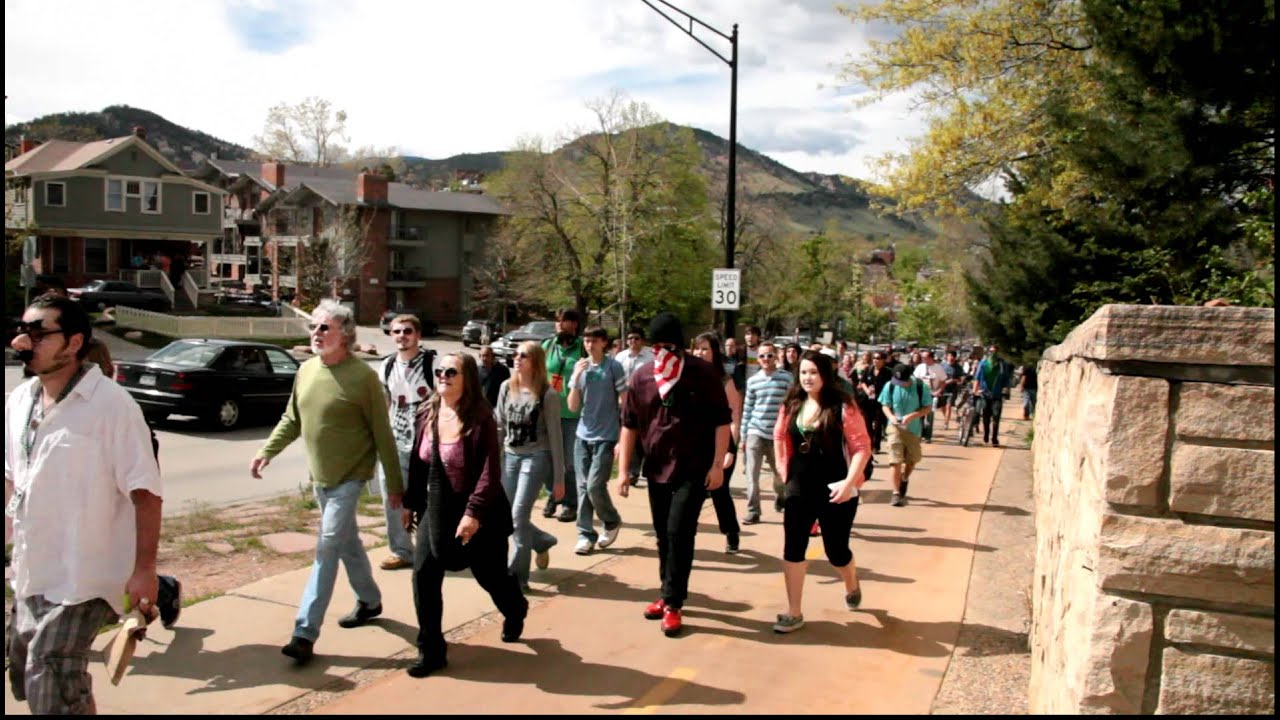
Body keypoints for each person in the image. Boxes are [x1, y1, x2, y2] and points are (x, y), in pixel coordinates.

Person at [5, 294, 163, 714]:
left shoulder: (112, 406)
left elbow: (146, 493)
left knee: (50, 668)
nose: (23, 341)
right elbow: (11, 479)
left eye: (38, 333)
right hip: (34, 567)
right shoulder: (19, 401)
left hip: (86, 576)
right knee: (31, 670)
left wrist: (145, 570)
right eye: (23, 331)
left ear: (74, 343)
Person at [251, 299, 403, 665]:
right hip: (321, 478)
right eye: (313, 327)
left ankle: (305, 632)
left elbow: (383, 435)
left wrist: (396, 486)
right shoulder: (305, 371)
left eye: (324, 328)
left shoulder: (363, 377)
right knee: (346, 543)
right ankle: (369, 600)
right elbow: (292, 418)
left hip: (351, 477)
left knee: (327, 546)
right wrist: (266, 450)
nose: (316, 334)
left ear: (345, 335)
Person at [402, 353, 527, 678]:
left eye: (451, 371)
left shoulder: (481, 417)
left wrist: (473, 514)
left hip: (479, 508)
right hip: (437, 504)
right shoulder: (426, 412)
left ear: (467, 378)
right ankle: (431, 650)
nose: (443, 375)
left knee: (490, 576)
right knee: (424, 574)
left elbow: (489, 471)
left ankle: (515, 607)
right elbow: (419, 465)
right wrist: (410, 504)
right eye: (439, 371)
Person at [616, 313, 730, 637]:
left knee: (680, 532)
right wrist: (624, 470)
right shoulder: (641, 378)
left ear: (681, 346)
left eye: (671, 346)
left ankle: (674, 603)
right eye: (658, 346)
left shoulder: (702, 374)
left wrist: (718, 464)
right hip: (656, 468)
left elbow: (722, 421)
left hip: (694, 469)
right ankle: (666, 592)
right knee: (663, 534)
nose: (664, 352)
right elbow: (629, 426)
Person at [770, 350, 872, 633]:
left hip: (836, 488)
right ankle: (793, 612)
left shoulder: (843, 405)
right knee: (793, 547)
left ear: (826, 375)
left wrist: (850, 483)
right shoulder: (792, 404)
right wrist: (784, 473)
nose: (807, 378)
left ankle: (851, 581)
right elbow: (779, 436)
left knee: (836, 551)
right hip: (799, 488)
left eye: (813, 372)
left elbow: (862, 446)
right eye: (803, 372)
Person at [496, 341, 565, 590]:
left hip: (536, 458)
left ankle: (517, 577)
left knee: (517, 517)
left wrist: (559, 478)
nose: (517, 358)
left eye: (523, 355)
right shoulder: (506, 387)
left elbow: (556, 438)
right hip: (510, 457)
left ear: (535, 361)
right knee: (508, 516)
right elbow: (499, 426)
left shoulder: (548, 394)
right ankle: (542, 540)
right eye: (515, 354)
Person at [374, 314, 435, 571]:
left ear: (418, 334)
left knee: (429, 499)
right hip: (396, 442)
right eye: (396, 331)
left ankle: (430, 549)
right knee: (393, 497)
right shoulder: (387, 365)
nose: (401, 336)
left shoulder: (432, 364)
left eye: (407, 331)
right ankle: (401, 550)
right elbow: (383, 403)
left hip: (428, 444)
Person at [567, 326, 628, 555]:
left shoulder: (614, 367)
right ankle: (585, 534)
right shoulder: (580, 367)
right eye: (586, 341)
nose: (589, 345)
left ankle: (611, 520)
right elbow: (573, 406)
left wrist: (623, 437)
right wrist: (575, 378)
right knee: (582, 487)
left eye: (594, 341)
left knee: (594, 485)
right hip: (583, 435)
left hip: (606, 435)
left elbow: (625, 402)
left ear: (604, 343)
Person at [691, 331, 743, 554]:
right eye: (697, 348)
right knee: (692, 492)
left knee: (719, 491)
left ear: (714, 352)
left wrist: (729, 450)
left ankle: (731, 532)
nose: (700, 353)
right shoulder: (687, 376)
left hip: (721, 444)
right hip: (695, 445)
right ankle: (685, 535)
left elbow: (734, 418)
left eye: (705, 349)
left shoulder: (725, 380)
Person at [740, 341, 792, 524]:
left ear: (776, 356)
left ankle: (781, 495)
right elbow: (747, 410)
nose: (765, 359)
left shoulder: (787, 378)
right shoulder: (753, 381)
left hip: (778, 435)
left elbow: (793, 405)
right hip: (756, 430)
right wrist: (743, 436)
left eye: (769, 355)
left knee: (779, 474)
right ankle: (753, 510)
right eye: (761, 356)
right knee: (751, 475)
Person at [541, 308, 585, 522]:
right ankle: (553, 496)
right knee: (547, 459)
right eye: (557, 321)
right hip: (548, 413)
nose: (559, 325)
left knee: (568, 462)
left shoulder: (582, 349)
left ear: (574, 324)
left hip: (572, 414)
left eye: (564, 321)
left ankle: (570, 503)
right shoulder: (548, 346)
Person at [879, 363, 933, 507]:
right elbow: (885, 405)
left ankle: (904, 478)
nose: (900, 385)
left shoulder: (921, 387)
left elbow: (928, 407)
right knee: (895, 460)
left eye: (903, 382)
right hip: (894, 428)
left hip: (913, 430)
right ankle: (896, 493)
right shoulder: (889, 386)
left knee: (912, 459)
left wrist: (913, 415)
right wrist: (891, 417)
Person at [616, 329, 653, 487]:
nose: (633, 341)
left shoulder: (650, 357)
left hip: (645, 402)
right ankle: (632, 471)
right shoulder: (620, 357)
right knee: (630, 434)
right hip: (624, 401)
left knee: (644, 437)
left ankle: (645, 468)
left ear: (642, 341)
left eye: (636, 338)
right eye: (630, 338)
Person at [974, 344, 1013, 446]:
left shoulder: (1002, 365)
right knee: (986, 416)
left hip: (997, 395)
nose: (993, 353)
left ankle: (994, 438)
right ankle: (986, 434)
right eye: (991, 351)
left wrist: (1006, 390)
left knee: (996, 416)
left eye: (994, 351)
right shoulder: (983, 363)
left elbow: (1006, 379)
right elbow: (977, 378)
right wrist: (975, 391)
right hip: (985, 394)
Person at [857, 351, 893, 453]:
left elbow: (891, 386)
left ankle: (876, 446)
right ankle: (870, 444)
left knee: (878, 424)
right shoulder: (868, 369)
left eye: (878, 358)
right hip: (868, 401)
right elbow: (863, 382)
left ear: (883, 360)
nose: (875, 360)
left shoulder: (888, 372)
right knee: (867, 423)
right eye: (874, 358)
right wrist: (867, 390)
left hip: (880, 401)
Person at [913, 350, 949, 443]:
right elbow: (914, 379)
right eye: (923, 357)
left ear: (931, 358)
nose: (923, 359)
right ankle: (919, 434)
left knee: (930, 415)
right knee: (919, 414)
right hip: (920, 394)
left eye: (925, 357)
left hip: (932, 394)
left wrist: (938, 391)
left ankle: (928, 436)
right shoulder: (920, 367)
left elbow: (943, 381)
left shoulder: (938, 368)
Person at [938, 350, 962, 429]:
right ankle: (946, 418)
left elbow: (960, 379)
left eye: (952, 356)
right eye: (949, 356)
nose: (951, 358)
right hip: (942, 388)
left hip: (952, 389)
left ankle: (946, 423)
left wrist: (954, 380)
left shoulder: (958, 368)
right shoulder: (942, 365)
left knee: (948, 406)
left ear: (955, 358)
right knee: (942, 407)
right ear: (946, 357)